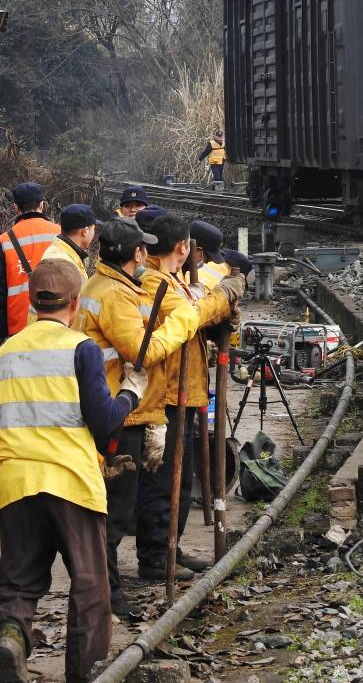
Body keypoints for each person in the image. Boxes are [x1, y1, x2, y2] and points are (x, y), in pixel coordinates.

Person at [0, 260, 148, 683]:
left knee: (19, 582)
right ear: (75, 302)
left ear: (29, 300)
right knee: (91, 588)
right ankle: (86, 674)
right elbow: (104, 420)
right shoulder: (81, 349)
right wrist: (131, 392)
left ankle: (10, 637)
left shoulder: (3, 354)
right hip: (70, 482)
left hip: (15, 481)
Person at [74, 218, 199, 619]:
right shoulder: (114, 295)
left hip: (123, 408)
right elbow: (141, 352)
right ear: (138, 254)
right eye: (143, 249)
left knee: (116, 508)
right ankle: (105, 597)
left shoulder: (112, 286)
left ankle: (105, 591)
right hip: (118, 412)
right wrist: (185, 321)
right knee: (114, 511)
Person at [135, 214, 246, 580]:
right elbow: (190, 314)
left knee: (178, 482)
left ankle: (171, 547)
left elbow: (199, 313)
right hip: (164, 393)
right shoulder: (153, 282)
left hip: (183, 389)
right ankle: (155, 556)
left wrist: (221, 319)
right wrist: (226, 294)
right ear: (183, 247)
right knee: (163, 481)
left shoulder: (169, 278)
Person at [0, 181, 61, 344]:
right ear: (42, 204)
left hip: (20, 327)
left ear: (16, 207)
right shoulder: (61, 233)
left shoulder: (4, 242)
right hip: (59, 322)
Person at [40, 203, 100, 281]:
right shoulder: (63, 263)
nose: (94, 232)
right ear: (85, 231)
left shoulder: (63, 253)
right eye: (93, 229)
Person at [188, 220, 229, 291]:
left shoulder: (180, 269)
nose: (206, 262)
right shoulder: (174, 273)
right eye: (207, 258)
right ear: (197, 250)